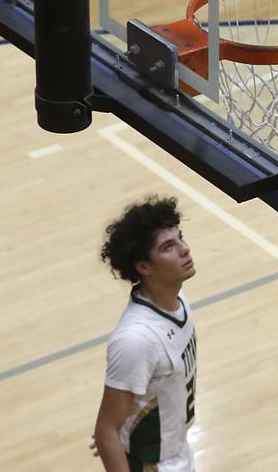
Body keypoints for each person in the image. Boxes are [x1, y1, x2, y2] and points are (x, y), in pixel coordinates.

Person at [92, 196, 198, 472]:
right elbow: (105, 431)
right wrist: (111, 435)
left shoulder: (179, 301)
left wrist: (119, 427)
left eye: (180, 238)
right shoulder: (136, 339)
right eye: (168, 247)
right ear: (144, 267)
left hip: (178, 453)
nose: (184, 249)